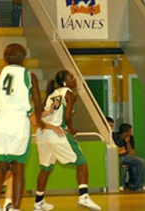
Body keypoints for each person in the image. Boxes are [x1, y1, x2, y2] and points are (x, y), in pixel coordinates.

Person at [0, 43, 64, 211]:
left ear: (5, 58)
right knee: (17, 167)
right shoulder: (30, 76)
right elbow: (37, 103)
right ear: (23, 58)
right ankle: (14, 207)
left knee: (0, 166)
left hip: (0, 122)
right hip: (18, 122)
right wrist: (41, 122)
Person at [34, 70, 101, 211]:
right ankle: (84, 197)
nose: (74, 79)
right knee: (81, 162)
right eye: (71, 77)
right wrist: (72, 129)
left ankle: (39, 202)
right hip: (57, 132)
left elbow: (39, 113)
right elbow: (67, 118)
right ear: (66, 82)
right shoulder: (70, 93)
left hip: (42, 134)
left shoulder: (51, 94)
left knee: (45, 168)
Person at [113, 123, 145, 192]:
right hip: (117, 156)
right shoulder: (115, 136)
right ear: (125, 132)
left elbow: (132, 153)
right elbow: (117, 151)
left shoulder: (131, 138)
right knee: (119, 161)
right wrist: (120, 150)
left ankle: (140, 185)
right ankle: (121, 185)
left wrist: (128, 142)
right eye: (130, 131)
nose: (131, 133)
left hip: (126, 156)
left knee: (141, 162)